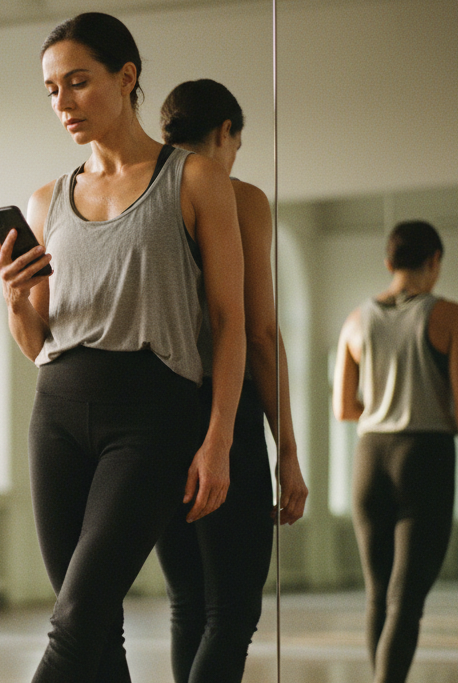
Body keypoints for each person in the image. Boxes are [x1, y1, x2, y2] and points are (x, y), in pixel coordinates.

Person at [0, 14, 246, 682]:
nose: (64, 103)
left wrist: (218, 439)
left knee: (74, 620)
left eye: (79, 82)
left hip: (151, 414)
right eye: (52, 89)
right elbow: (35, 344)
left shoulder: (194, 180)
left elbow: (230, 322)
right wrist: (16, 300)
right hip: (56, 415)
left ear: (126, 77)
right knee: (97, 629)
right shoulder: (46, 199)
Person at [152, 79, 308, 683]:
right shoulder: (239, 197)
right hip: (226, 413)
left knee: (187, 605)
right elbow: (259, 333)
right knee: (233, 611)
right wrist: (287, 451)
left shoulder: (138, 190)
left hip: (157, 415)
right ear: (226, 134)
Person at [333, 220, 458, 683]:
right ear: (434, 262)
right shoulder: (449, 316)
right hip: (425, 458)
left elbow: (344, 406)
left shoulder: (355, 320)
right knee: (407, 598)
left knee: (378, 595)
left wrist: (383, 403)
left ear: (388, 263)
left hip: (370, 458)